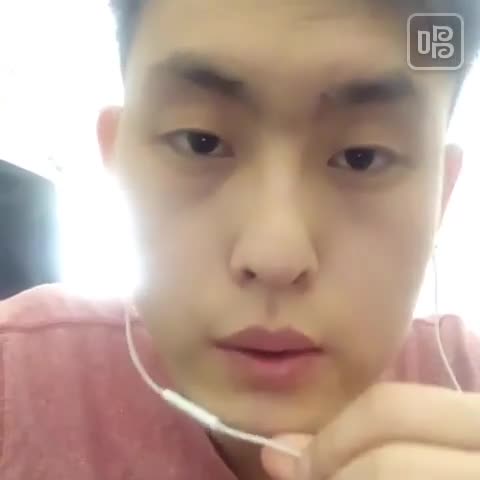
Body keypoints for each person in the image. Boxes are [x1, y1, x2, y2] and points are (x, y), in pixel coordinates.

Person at [1, 1, 480, 478]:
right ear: (118, 165)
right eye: (201, 142)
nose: (275, 257)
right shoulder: (16, 381)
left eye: (362, 157)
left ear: (441, 194)